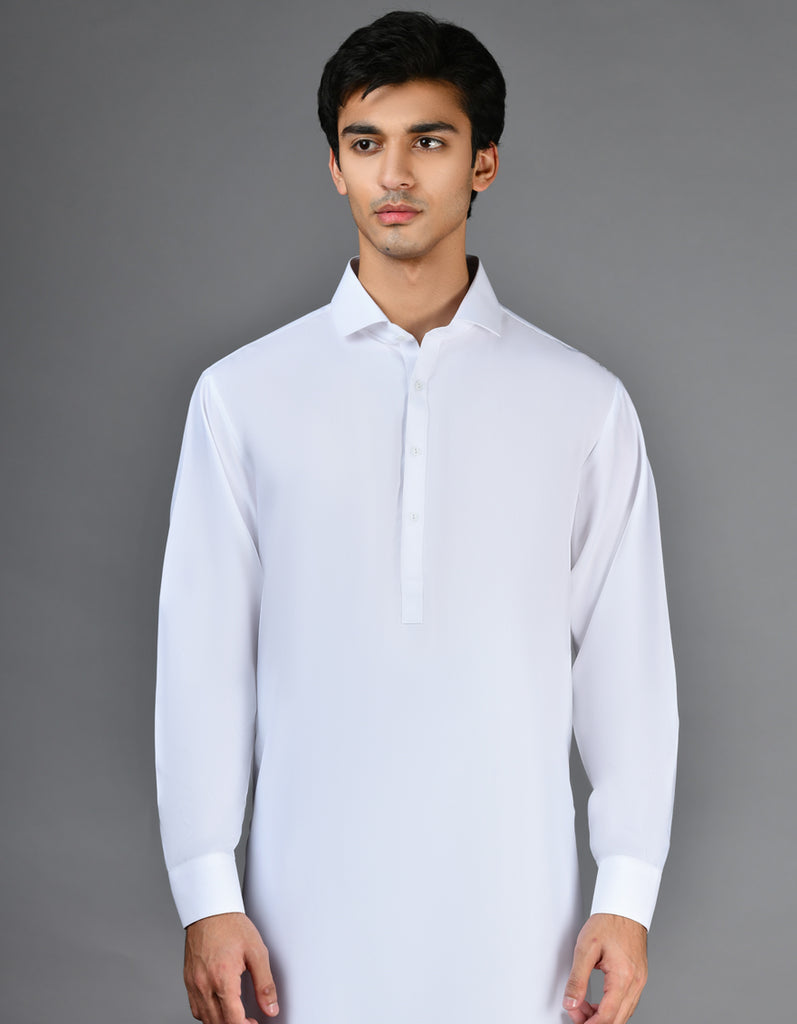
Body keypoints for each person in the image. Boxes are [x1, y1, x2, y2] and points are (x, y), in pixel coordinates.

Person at [155, 11, 678, 1024]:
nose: (393, 175)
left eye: (427, 141)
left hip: (517, 912)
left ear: (482, 163)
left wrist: (625, 891)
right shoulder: (243, 395)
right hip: (301, 912)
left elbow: (627, 665)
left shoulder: (581, 401)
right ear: (333, 167)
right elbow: (202, 658)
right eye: (365, 143)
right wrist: (206, 892)